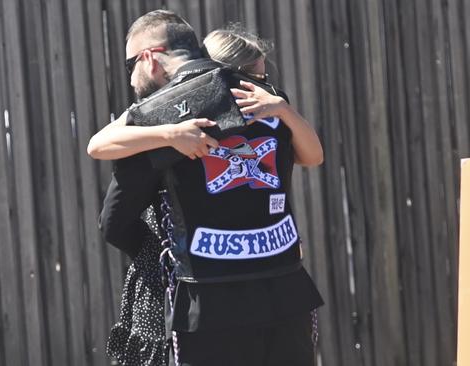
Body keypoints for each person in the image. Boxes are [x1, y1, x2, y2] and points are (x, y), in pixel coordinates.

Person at [88, 11, 323, 366]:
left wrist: (162, 259)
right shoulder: (266, 98)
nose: (130, 77)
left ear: (149, 58)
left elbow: (114, 221)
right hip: (286, 292)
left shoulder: (156, 115)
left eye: (130, 64)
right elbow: (310, 156)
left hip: (208, 306)